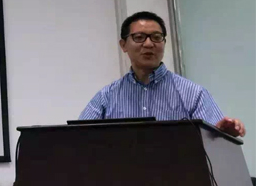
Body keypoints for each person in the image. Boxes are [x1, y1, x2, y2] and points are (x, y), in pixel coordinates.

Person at [79, 11, 246, 137]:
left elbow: (215, 143)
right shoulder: (106, 97)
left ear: (164, 43)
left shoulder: (194, 94)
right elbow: (77, 139)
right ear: (123, 45)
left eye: (156, 37)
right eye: (139, 37)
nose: (149, 44)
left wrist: (223, 133)